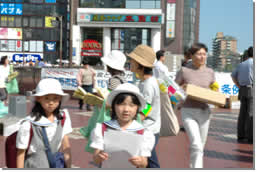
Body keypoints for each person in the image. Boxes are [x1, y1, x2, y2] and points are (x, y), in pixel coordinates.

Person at [90, 83, 155, 168]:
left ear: (137, 108)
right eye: (121, 104)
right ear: (113, 106)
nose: (126, 110)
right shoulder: (103, 128)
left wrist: (140, 162)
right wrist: (99, 157)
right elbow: (95, 158)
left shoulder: (143, 132)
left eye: (131, 105)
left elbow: (144, 163)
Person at [175, 43, 216, 168]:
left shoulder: (210, 72)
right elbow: (172, 89)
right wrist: (182, 89)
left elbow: (214, 88)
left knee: (200, 147)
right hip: (188, 111)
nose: (202, 57)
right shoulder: (184, 70)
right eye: (199, 54)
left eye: (204, 54)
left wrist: (216, 93)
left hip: (204, 112)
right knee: (196, 144)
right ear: (192, 56)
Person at [16, 78, 72, 168]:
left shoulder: (63, 118)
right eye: (46, 98)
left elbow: (66, 146)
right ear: (38, 98)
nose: (51, 102)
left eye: (55, 98)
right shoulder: (28, 123)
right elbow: (21, 153)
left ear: (60, 98)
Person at [127, 44, 161, 168]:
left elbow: (146, 109)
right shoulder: (144, 82)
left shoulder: (148, 84)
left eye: (132, 60)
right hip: (148, 128)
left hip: (148, 129)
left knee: (149, 163)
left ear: (140, 64)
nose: (130, 61)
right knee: (150, 163)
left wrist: (127, 124)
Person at [231, 46, 253, 144]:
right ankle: (250, 137)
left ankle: (241, 135)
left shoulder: (241, 64)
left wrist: (239, 86)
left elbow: (233, 75)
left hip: (242, 89)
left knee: (242, 113)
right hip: (252, 89)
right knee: (251, 114)